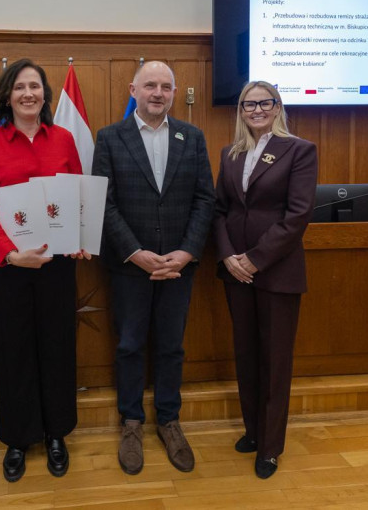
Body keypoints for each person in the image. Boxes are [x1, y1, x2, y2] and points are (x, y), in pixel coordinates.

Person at [92, 61, 214, 475]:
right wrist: (135, 252)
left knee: (171, 346)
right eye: (149, 86)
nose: (157, 93)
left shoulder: (192, 137)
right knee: (128, 346)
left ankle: (169, 420)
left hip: (179, 266)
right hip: (130, 267)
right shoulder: (110, 138)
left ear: (174, 93)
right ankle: (130, 422)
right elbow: (103, 203)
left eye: (165, 86)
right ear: (134, 90)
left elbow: (204, 200)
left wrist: (187, 251)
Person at [0, 58, 86, 483]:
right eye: (19, 87)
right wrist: (8, 254)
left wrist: (78, 240)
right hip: (9, 268)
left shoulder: (65, 139)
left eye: (35, 86)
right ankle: (18, 438)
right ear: (7, 96)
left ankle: (57, 433)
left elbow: (77, 196)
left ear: (45, 95)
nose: (28, 94)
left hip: (56, 268)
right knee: (12, 350)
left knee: (58, 347)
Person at [212, 81, 318, 480]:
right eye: (248, 104)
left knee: (275, 360)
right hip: (234, 270)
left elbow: (297, 216)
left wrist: (254, 260)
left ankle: (271, 446)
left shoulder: (299, 150)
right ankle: (253, 431)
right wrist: (227, 256)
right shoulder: (231, 153)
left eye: (264, 102)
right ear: (240, 110)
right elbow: (220, 210)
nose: (256, 109)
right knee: (247, 354)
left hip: (275, 270)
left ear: (277, 107)